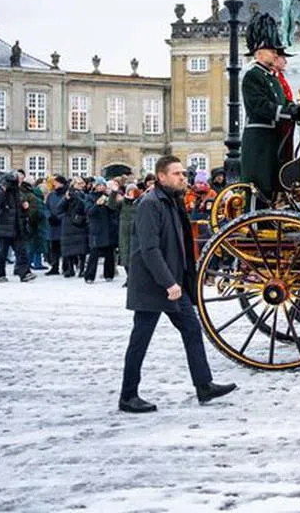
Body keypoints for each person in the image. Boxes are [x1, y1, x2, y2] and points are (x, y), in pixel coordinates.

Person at [118, 156, 236, 413]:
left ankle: (204, 385)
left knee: (192, 330)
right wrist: (169, 282)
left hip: (173, 284)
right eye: (177, 174)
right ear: (161, 177)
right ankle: (128, 395)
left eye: (183, 173)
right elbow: (149, 249)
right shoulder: (150, 204)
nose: (183, 177)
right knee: (140, 339)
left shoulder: (171, 201)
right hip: (155, 285)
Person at [241, 12, 296, 202]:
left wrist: (295, 109)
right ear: (259, 53)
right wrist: (288, 113)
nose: (275, 53)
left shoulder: (272, 77)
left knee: (272, 182)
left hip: (273, 138)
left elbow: (283, 102)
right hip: (260, 139)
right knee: (259, 184)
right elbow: (260, 106)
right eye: (272, 50)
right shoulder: (253, 75)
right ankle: (256, 223)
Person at [0, 171, 36, 283]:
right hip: (3, 228)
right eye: (17, 179)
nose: (19, 181)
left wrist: (25, 208)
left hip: (17, 227)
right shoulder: (0, 191)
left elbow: (22, 212)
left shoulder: (18, 193)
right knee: (1, 253)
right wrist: (3, 189)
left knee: (21, 252)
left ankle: (25, 273)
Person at [84, 180, 120, 283]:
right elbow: (89, 212)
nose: (101, 187)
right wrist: (97, 204)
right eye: (99, 185)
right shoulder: (90, 197)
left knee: (109, 253)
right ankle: (89, 276)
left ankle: (109, 275)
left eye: (103, 185)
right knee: (94, 253)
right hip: (97, 229)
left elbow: (114, 209)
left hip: (109, 227)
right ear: (95, 186)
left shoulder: (109, 196)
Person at [54, 177, 89, 278]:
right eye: (78, 183)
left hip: (80, 223)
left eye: (82, 183)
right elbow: (59, 209)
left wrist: (77, 197)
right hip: (68, 224)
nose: (81, 185)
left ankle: (82, 268)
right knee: (68, 249)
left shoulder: (83, 195)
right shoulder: (68, 194)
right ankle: (69, 269)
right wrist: (66, 200)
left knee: (82, 249)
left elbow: (85, 206)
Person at [44, 175, 68, 275]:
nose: (54, 184)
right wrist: (49, 216)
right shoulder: (51, 195)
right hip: (53, 225)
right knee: (54, 247)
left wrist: (60, 217)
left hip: (63, 224)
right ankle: (54, 266)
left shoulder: (66, 194)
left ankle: (66, 267)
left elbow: (68, 208)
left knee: (65, 247)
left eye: (56, 182)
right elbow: (46, 207)